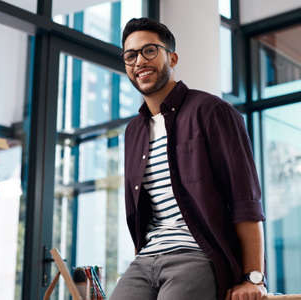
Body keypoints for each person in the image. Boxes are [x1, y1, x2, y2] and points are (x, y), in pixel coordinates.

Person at [110, 18, 266, 300]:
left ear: (172, 57)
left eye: (149, 51)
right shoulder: (134, 131)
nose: (139, 61)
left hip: (196, 254)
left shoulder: (212, 112)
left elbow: (246, 201)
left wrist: (253, 278)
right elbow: (142, 213)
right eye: (130, 55)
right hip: (146, 259)